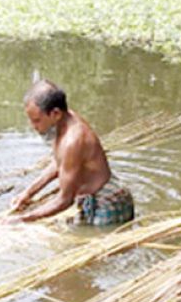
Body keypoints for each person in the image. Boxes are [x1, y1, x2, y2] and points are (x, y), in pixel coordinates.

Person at [8, 80, 134, 226]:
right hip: (89, 197)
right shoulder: (64, 120)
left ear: (55, 113)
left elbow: (64, 200)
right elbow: (59, 161)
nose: (33, 127)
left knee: (98, 245)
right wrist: (28, 193)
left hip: (107, 201)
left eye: (37, 121)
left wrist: (23, 219)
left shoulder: (74, 141)